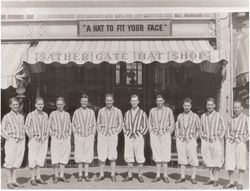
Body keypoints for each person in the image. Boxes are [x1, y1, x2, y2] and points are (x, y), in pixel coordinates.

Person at [95, 94, 123, 182]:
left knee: (112, 155)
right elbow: (98, 123)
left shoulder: (118, 111)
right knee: (102, 155)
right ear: (105, 101)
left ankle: (113, 174)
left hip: (112, 135)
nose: (109, 102)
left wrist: (115, 132)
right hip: (103, 136)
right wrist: (100, 132)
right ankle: (101, 174)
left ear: (113, 101)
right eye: (107, 100)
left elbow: (121, 124)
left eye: (110, 100)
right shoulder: (101, 111)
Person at [148, 95, 175, 183]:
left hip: (165, 135)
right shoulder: (152, 110)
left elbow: (172, 122)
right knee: (157, 154)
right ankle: (158, 175)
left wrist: (168, 132)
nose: (159, 102)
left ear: (163, 101)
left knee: (165, 154)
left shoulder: (168, 110)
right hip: (155, 135)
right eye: (158, 101)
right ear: (156, 101)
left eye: (161, 101)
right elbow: (149, 123)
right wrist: (152, 132)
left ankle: (165, 175)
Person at [223, 100, 249, 190]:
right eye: (235, 107)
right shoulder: (231, 118)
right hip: (231, 142)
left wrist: (244, 139)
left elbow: (249, 131)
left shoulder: (246, 118)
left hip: (240, 142)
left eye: (238, 107)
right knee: (230, 162)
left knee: (241, 162)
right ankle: (231, 181)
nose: (236, 109)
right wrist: (228, 138)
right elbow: (227, 130)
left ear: (241, 108)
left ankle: (240, 182)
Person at [200, 98, 226, 187]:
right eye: (208, 105)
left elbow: (223, 128)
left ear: (214, 105)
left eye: (211, 105)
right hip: (206, 141)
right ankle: (211, 178)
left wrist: (219, 138)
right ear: (206, 105)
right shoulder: (203, 116)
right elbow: (200, 129)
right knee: (209, 160)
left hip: (216, 141)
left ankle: (216, 179)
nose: (209, 106)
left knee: (216, 160)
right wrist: (203, 137)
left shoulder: (219, 115)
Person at [123, 94, 148, 183]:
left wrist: (139, 133)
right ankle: (129, 175)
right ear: (130, 102)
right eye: (132, 101)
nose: (134, 102)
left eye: (135, 101)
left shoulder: (142, 113)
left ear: (138, 102)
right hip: (129, 137)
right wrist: (127, 133)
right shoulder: (127, 113)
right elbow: (124, 125)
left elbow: (145, 126)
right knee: (129, 156)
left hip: (138, 137)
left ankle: (140, 175)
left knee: (140, 155)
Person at [175, 98, 201, 184]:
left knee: (193, 157)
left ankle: (193, 177)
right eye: (185, 105)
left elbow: (199, 128)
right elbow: (177, 128)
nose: (186, 107)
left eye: (188, 106)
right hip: (181, 139)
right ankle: (182, 176)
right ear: (183, 106)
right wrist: (178, 137)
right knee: (182, 157)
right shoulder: (180, 116)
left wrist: (194, 137)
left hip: (191, 140)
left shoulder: (195, 116)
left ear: (191, 106)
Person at [1, 97, 26, 189]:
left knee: (16, 161)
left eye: (17, 104)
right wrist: (8, 137)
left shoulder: (21, 116)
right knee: (10, 160)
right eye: (14, 104)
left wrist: (23, 137)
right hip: (11, 141)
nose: (16, 106)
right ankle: (9, 182)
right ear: (10, 105)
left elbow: (23, 128)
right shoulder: (6, 116)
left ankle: (14, 180)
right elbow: (2, 129)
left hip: (20, 141)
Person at [25, 97, 49, 186]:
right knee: (32, 158)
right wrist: (30, 136)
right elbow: (26, 126)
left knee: (40, 158)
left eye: (41, 104)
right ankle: (32, 178)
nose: (40, 106)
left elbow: (47, 127)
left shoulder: (45, 115)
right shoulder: (30, 115)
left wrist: (46, 137)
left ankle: (38, 177)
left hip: (43, 140)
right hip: (34, 140)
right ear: (35, 105)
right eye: (38, 104)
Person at [72, 94, 96, 182]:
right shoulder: (76, 112)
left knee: (87, 155)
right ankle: (79, 174)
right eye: (83, 101)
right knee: (79, 154)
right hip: (79, 136)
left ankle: (86, 174)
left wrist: (92, 134)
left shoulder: (91, 112)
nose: (84, 103)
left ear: (88, 102)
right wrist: (76, 134)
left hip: (88, 136)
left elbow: (94, 124)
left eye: (85, 101)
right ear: (80, 102)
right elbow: (73, 124)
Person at [48, 97, 72, 184]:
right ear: (56, 105)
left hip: (65, 138)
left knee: (64, 156)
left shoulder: (67, 114)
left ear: (64, 104)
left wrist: (68, 135)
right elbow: (48, 126)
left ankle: (62, 175)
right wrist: (52, 135)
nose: (60, 106)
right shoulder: (52, 114)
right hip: (56, 138)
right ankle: (56, 175)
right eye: (58, 104)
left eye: (61, 104)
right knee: (55, 157)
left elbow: (70, 126)